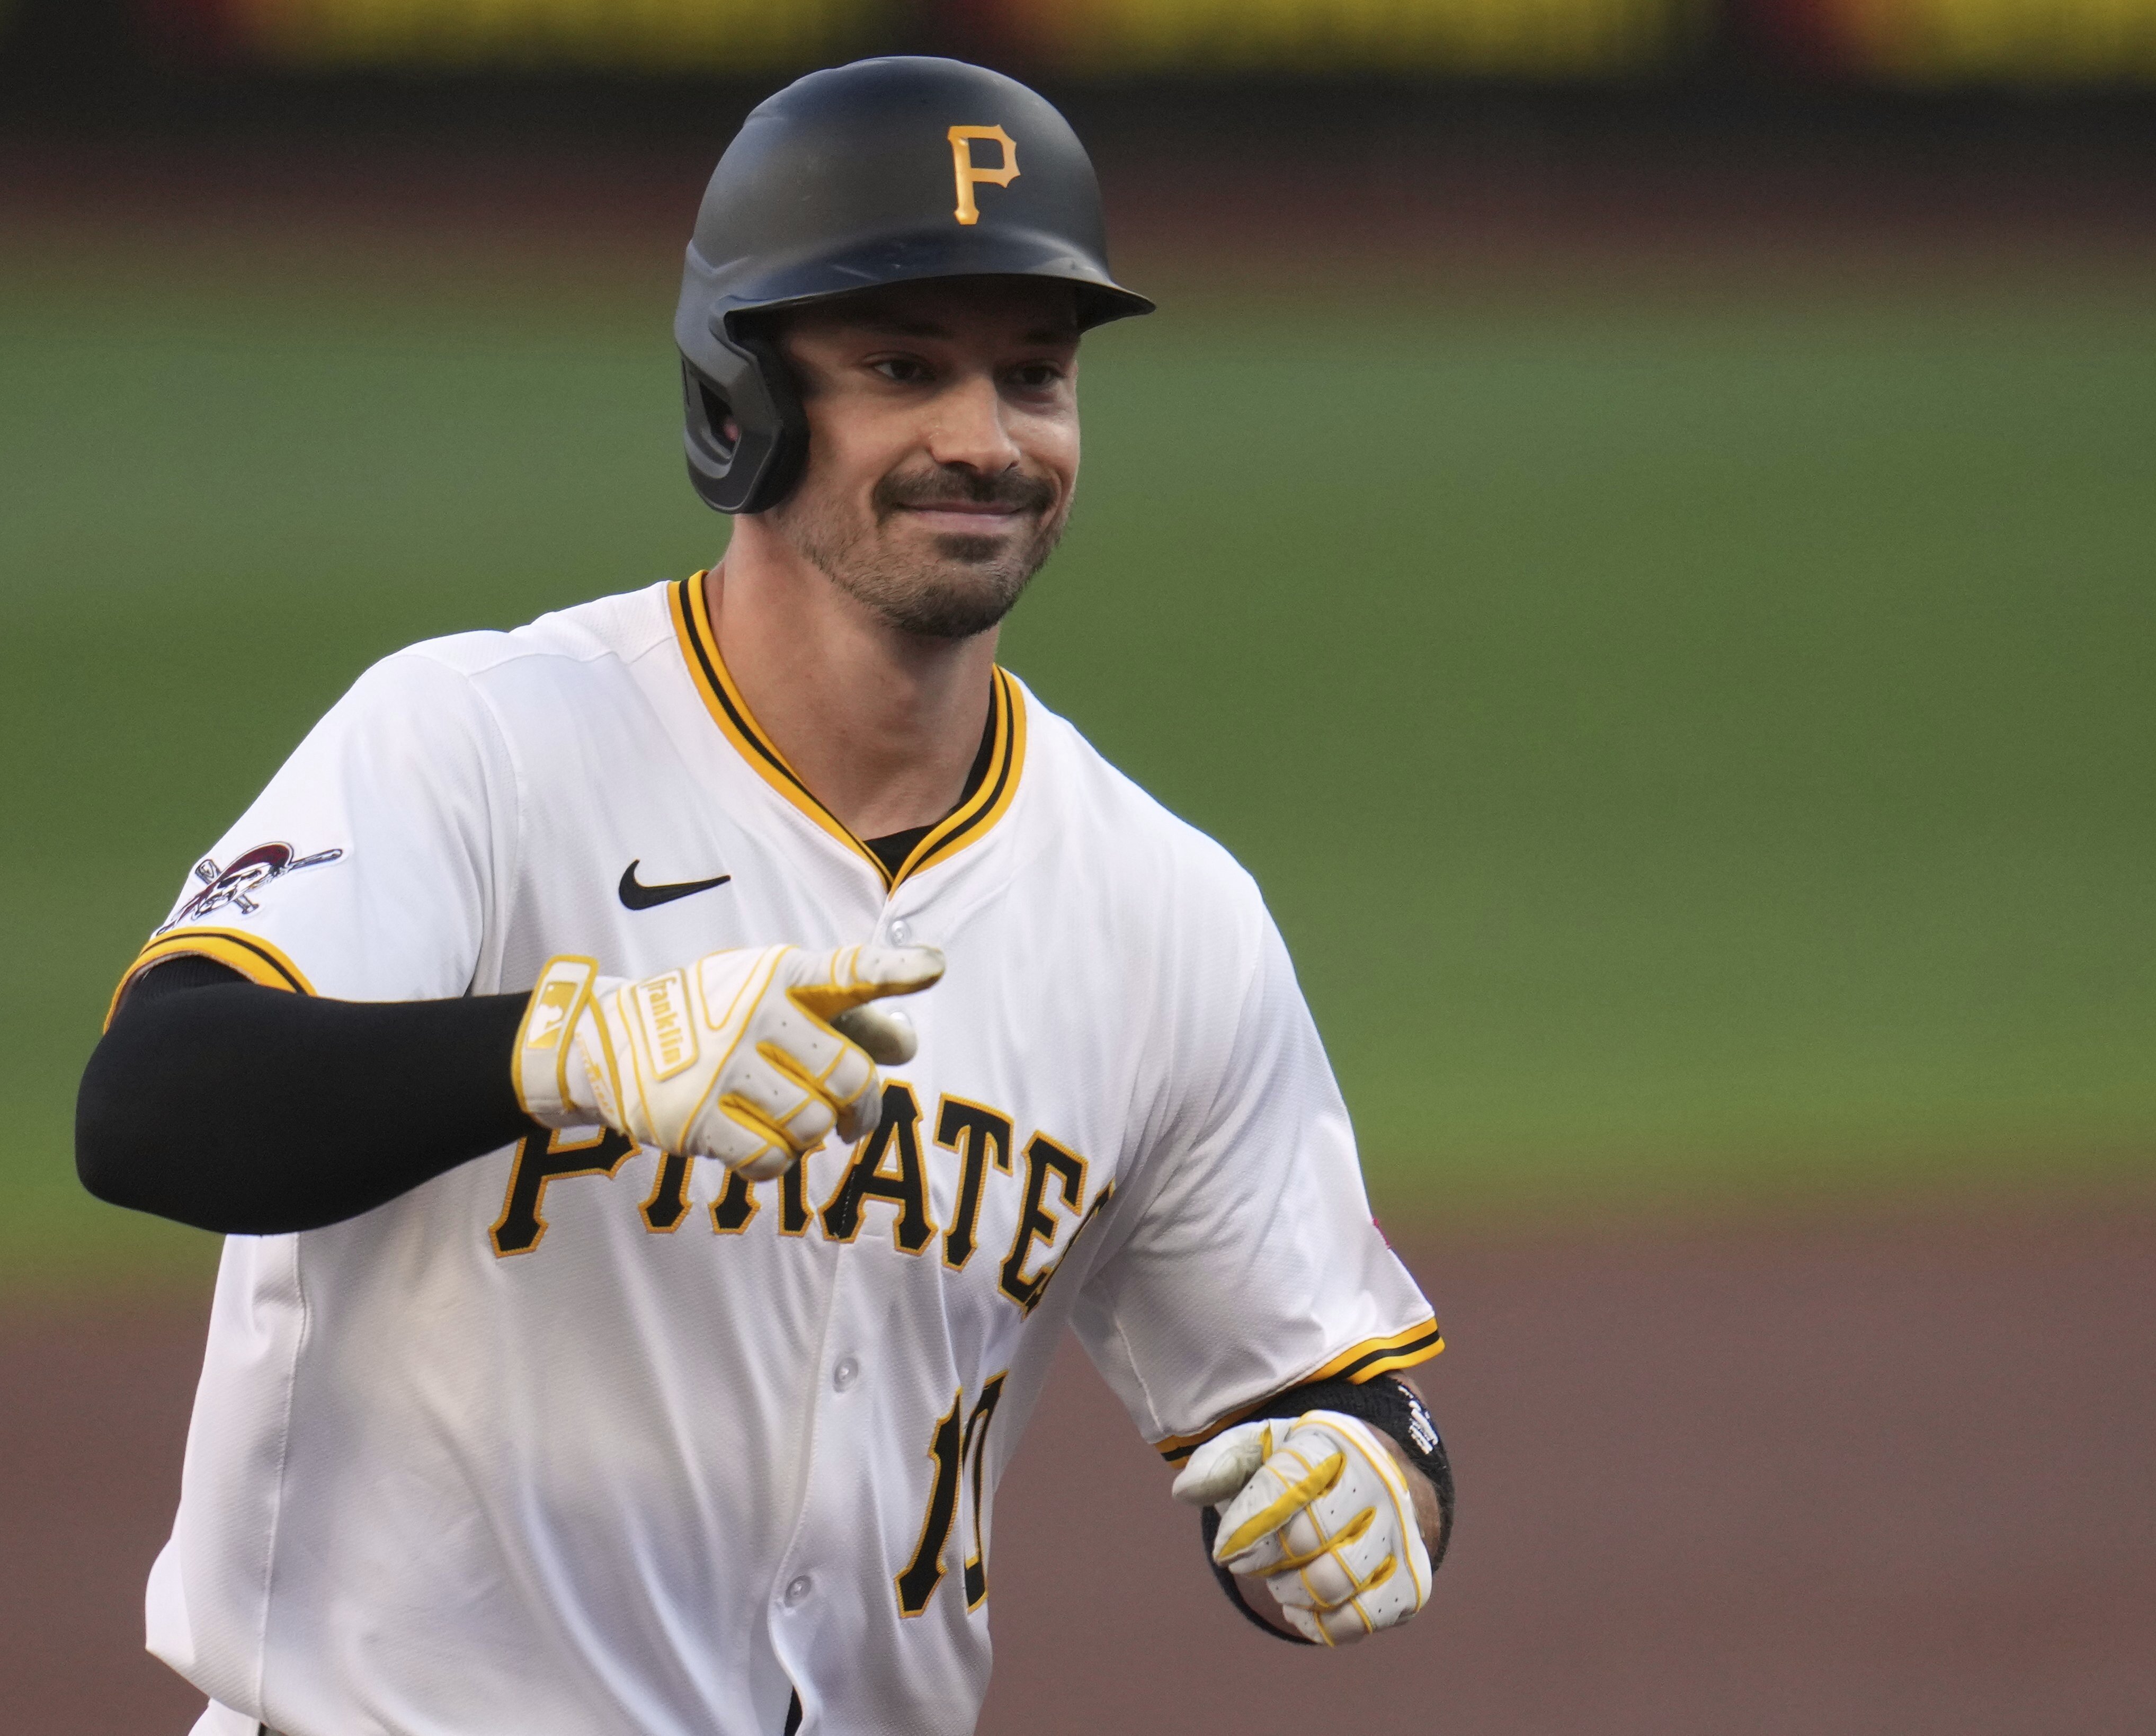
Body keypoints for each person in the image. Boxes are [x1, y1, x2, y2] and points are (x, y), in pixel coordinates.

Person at [77, 55, 1451, 1736]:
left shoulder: (1164, 910)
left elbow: (1327, 1382)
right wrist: (560, 1052)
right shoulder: (479, 741)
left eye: (1033, 374)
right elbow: (153, 1104)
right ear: (744, 400)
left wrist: (1358, 1480)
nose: (984, 439)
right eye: (902, 367)